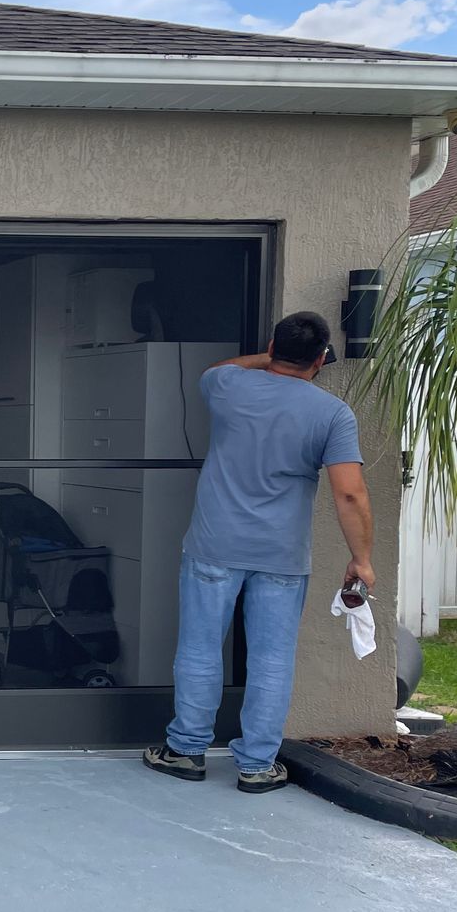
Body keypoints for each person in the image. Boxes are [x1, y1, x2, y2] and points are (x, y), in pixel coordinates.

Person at [143, 311, 374, 794]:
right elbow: (349, 494)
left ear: (272, 346)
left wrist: (271, 357)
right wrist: (361, 559)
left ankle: (185, 751)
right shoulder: (332, 414)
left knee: (201, 648)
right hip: (281, 555)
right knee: (272, 657)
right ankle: (256, 765)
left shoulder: (226, 385)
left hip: (214, 545)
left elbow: (226, 366)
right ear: (321, 358)